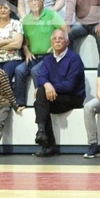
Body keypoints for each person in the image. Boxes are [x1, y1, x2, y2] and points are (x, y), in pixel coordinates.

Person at [33, 29, 86, 157]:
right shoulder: (48, 59)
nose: (57, 41)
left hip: (73, 97)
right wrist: (47, 85)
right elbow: (41, 78)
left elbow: (69, 86)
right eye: (55, 38)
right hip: (56, 97)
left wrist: (50, 87)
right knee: (41, 99)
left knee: (40, 96)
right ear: (51, 42)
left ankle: (46, 141)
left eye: (60, 38)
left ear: (67, 42)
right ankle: (42, 133)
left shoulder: (74, 59)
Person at [15, 0, 65, 108]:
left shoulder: (51, 14)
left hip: (50, 56)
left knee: (36, 71)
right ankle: (20, 103)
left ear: (43, 1)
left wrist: (57, 44)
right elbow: (24, 42)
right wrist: (26, 51)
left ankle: (42, 101)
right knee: (19, 70)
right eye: (31, 1)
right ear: (28, 4)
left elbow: (65, 29)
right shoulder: (26, 20)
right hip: (33, 56)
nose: (34, 3)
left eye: (37, 0)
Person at [0, 0, 24, 87]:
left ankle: (7, 100)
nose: (3, 10)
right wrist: (9, 40)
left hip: (13, 58)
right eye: (0, 8)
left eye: (5, 8)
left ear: (10, 10)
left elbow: (17, 45)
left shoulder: (16, 24)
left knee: (4, 76)